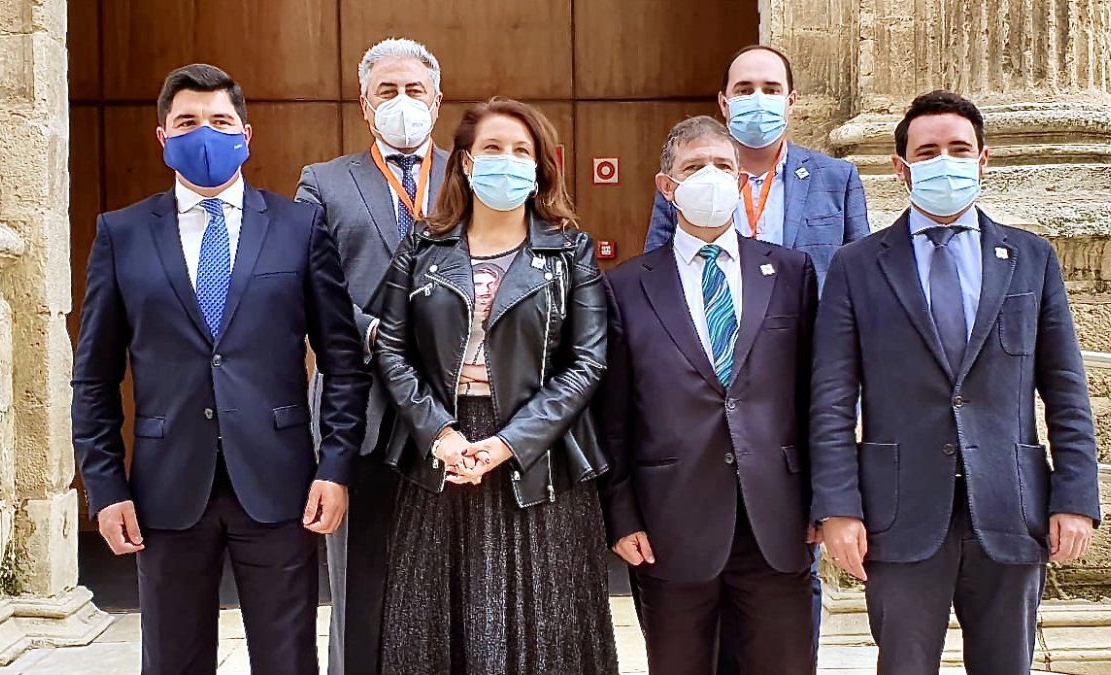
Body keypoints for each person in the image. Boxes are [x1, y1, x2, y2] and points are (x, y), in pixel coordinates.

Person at [71, 64, 369, 675]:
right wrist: (104, 487)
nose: (204, 132)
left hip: (281, 484)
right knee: (173, 661)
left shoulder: (298, 227)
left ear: (245, 133)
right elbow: (94, 377)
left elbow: (342, 361)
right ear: (163, 136)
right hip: (165, 488)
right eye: (187, 121)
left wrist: (335, 465)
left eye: (219, 121)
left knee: (287, 659)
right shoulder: (121, 234)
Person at [811, 90, 1101, 675]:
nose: (946, 160)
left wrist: (1075, 498)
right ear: (902, 167)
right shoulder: (857, 265)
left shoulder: (1030, 258)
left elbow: (1066, 389)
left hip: (1010, 507)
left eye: (959, 148)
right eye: (929, 150)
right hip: (899, 513)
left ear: (983, 159)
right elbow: (833, 400)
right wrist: (838, 507)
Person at [373, 99, 618, 675]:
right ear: (464, 162)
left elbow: (587, 362)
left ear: (539, 168)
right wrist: (438, 433)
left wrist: (508, 443)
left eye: (521, 151)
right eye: (492, 148)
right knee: (432, 626)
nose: (507, 161)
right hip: (441, 455)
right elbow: (389, 346)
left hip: (537, 459)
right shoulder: (422, 247)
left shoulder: (569, 250)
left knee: (546, 630)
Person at [599, 115, 817, 675]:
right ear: (666, 187)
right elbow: (614, 415)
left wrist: (827, 502)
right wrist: (621, 515)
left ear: (742, 178)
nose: (711, 177)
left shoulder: (790, 273)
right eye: (694, 167)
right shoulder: (624, 286)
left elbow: (816, 397)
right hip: (671, 527)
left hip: (777, 520)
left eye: (723, 165)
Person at [294, 37, 448, 675]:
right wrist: (377, 336)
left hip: (456, 405)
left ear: (437, 102)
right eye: (388, 91)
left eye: (415, 90)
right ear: (365, 105)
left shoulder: (476, 173)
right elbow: (306, 288)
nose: (402, 102)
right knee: (360, 576)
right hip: (355, 408)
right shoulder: (323, 183)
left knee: (454, 575)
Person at [644, 45, 869, 287]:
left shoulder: (837, 178)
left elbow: (860, 272)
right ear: (724, 103)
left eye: (771, 90)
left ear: (790, 101)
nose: (758, 99)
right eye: (745, 90)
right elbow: (656, 270)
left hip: (810, 322)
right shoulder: (685, 180)